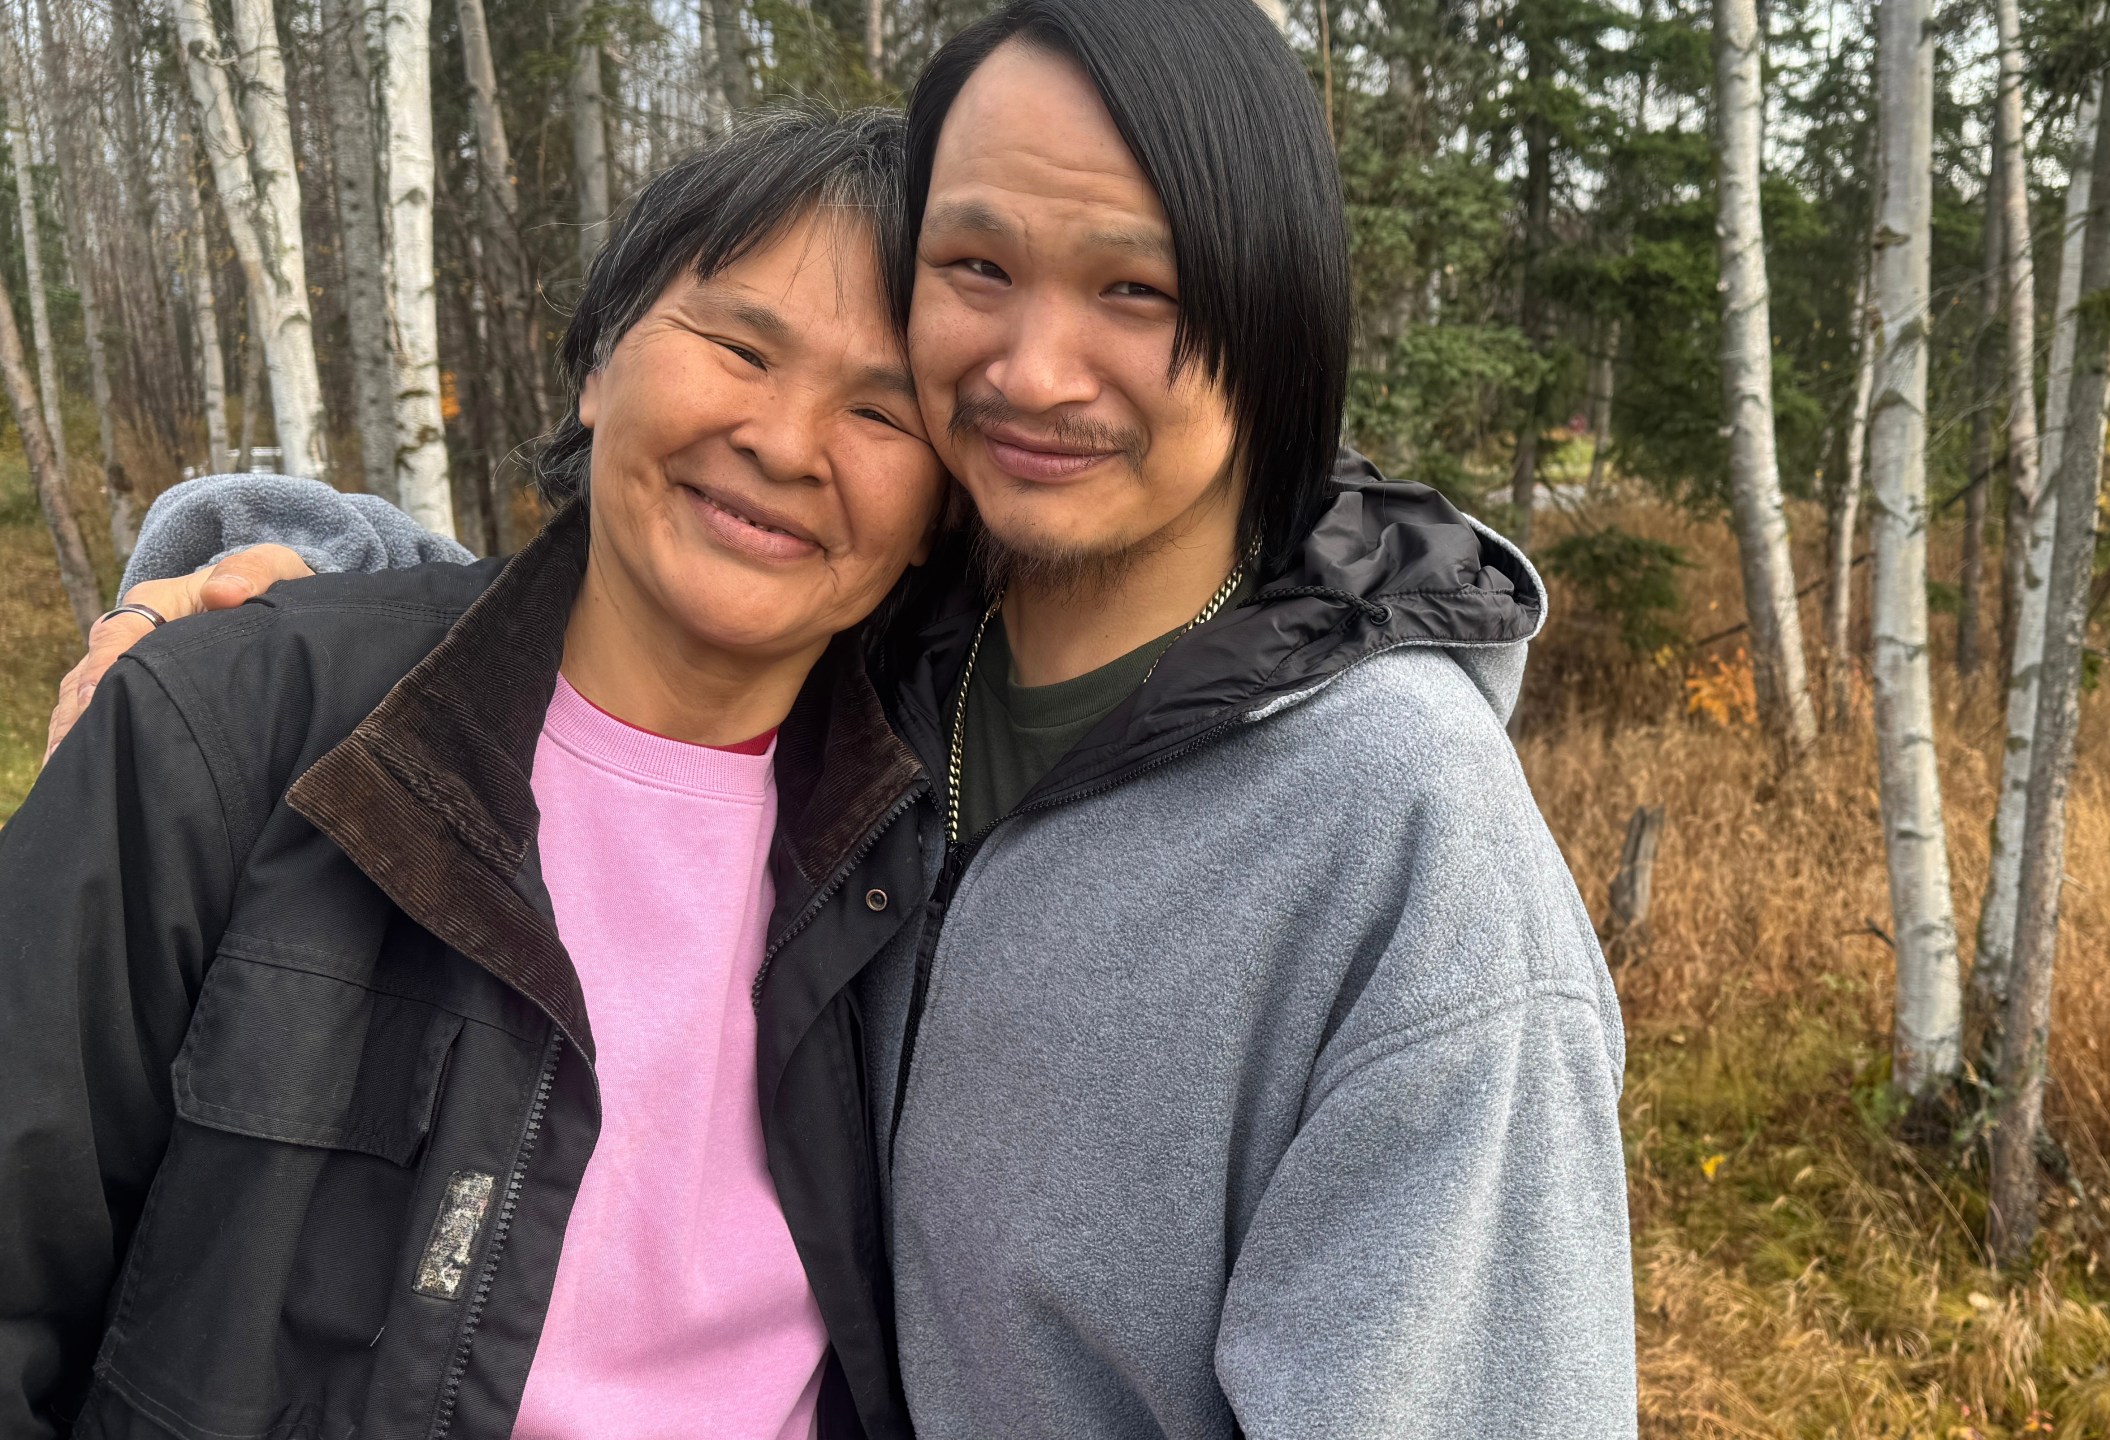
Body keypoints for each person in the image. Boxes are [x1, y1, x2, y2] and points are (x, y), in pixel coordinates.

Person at [48, 2, 1641, 1435]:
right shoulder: (905, 685)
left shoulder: (1403, 847)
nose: (1031, 364)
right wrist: (288, 601)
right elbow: (613, 663)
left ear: (1277, 319)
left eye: (1136, 287)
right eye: (978, 267)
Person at [2, 111, 941, 1438]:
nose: (788, 443)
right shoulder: (237, 733)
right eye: (741, 347)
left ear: (937, 514)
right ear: (600, 364)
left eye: (882, 410)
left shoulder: (937, 857)